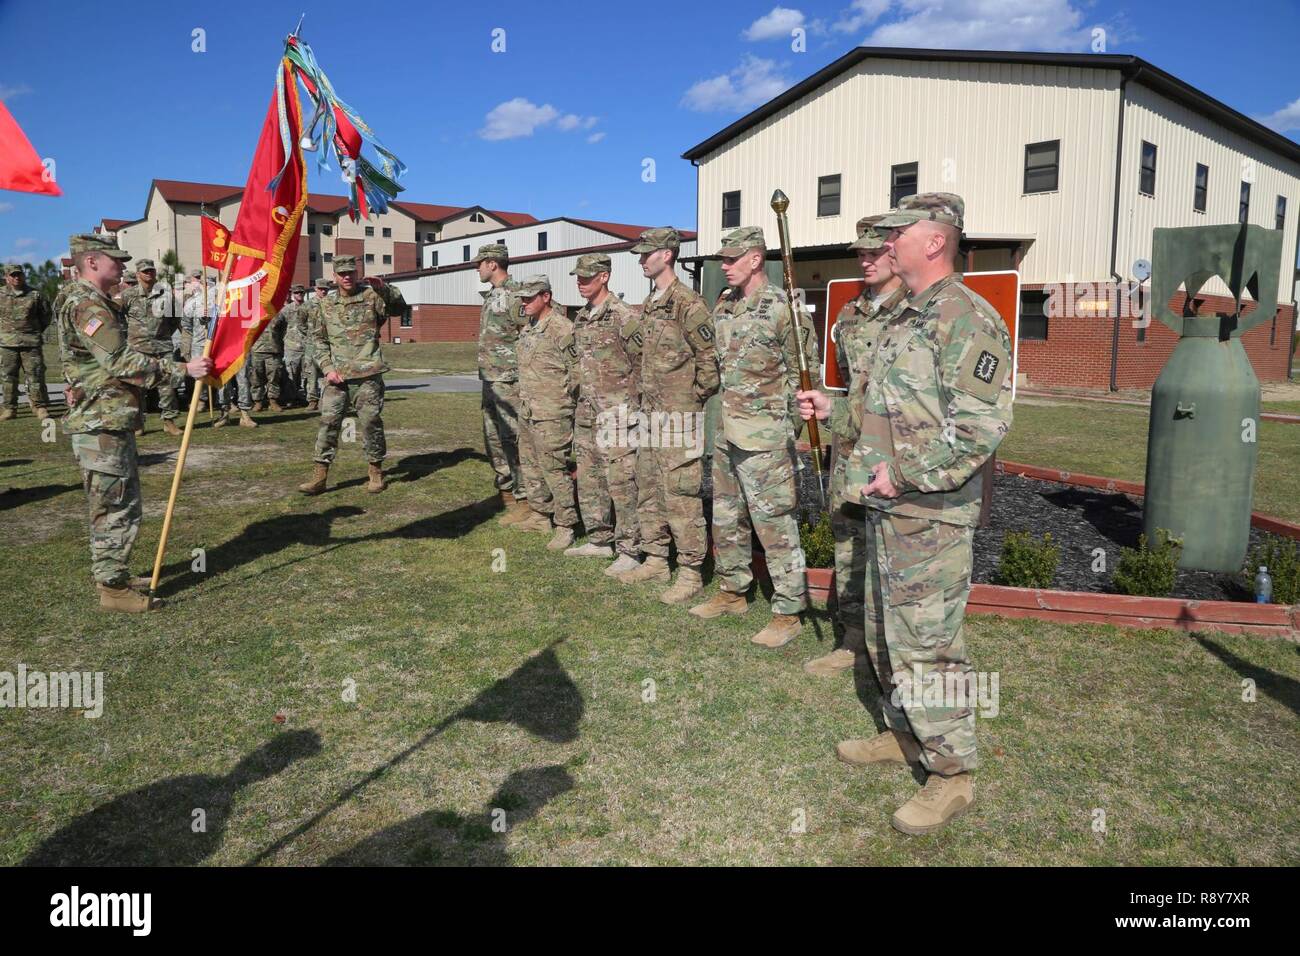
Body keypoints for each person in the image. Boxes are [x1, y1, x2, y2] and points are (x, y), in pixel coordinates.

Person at [797, 193, 1013, 835]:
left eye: (899, 233)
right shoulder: (902, 317)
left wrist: (909, 472)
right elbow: (879, 412)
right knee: (887, 634)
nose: (885, 245)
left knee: (931, 646)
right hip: (889, 507)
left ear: (935, 242)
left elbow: (982, 426)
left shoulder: (967, 318)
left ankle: (952, 775)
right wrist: (830, 411)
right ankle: (905, 735)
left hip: (933, 512)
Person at [55, 234, 211, 612]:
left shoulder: (90, 300)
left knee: (114, 499)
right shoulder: (87, 304)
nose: (123, 265)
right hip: (101, 421)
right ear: (91, 261)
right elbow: (121, 362)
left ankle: (116, 574)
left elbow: (79, 359)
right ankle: (112, 589)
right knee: (115, 505)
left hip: (104, 417)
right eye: (116, 259)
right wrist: (183, 369)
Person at [689, 226, 816, 649]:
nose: (724, 266)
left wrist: (786, 430)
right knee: (727, 518)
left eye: (731, 258)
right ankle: (732, 591)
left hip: (766, 439)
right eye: (722, 259)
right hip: (727, 431)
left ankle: (788, 611)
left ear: (756, 259)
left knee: (775, 524)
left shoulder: (784, 308)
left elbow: (805, 373)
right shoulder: (724, 305)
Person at [803, 215, 909, 677]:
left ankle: (891, 646)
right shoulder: (849, 313)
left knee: (893, 552)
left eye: (874, 252)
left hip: (899, 454)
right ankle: (852, 641)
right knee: (848, 544)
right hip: (851, 447)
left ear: (895, 251)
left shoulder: (918, 309)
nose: (865, 261)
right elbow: (848, 383)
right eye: (860, 254)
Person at [615, 227, 718, 602]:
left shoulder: (687, 303)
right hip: (651, 414)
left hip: (678, 416)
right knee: (650, 488)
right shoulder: (653, 301)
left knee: (681, 495)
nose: (642, 260)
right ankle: (657, 558)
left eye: (647, 254)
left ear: (668, 255)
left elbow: (709, 358)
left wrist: (691, 399)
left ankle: (690, 571)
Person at [299, 255, 406, 495]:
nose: (347, 277)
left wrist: (385, 288)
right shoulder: (325, 305)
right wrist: (327, 368)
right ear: (334, 276)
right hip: (337, 377)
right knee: (328, 423)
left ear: (357, 274)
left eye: (351, 273)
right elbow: (318, 340)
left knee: (370, 424)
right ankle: (320, 475)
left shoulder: (372, 297)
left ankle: (375, 471)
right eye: (342, 273)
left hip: (368, 374)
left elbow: (400, 309)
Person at [566, 253, 643, 570]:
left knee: (622, 482)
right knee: (590, 479)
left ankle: (630, 549)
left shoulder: (624, 316)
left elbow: (642, 363)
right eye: (578, 277)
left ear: (604, 277)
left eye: (587, 277)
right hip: (587, 412)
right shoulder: (582, 317)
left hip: (617, 412)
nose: (580, 282)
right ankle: (599, 539)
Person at [513, 275, 579, 548]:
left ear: (546, 297)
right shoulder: (529, 327)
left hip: (552, 413)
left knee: (554, 469)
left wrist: (564, 402)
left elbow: (577, 371)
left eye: (530, 297)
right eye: (523, 298)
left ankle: (566, 525)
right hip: (529, 409)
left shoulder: (562, 329)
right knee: (530, 466)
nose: (525, 302)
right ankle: (540, 515)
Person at [473, 243, 529, 525]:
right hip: (490, 379)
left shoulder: (517, 294)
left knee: (513, 438)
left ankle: (525, 497)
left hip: (509, 379)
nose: (477, 268)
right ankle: (506, 491)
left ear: (492, 264)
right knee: (493, 437)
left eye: (479, 263)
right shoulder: (491, 295)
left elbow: (529, 333)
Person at [120, 258, 183, 436]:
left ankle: (169, 421)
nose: (149, 274)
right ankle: (138, 423)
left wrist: (162, 335)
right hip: (137, 348)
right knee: (137, 387)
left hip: (163, 347)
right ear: (138, 274)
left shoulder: (166, 294)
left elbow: (174, 319)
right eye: (145, 271)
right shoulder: (128, 295)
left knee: (168, 384)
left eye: (151, 271)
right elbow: (118, 318)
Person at [0, 263, 52, 421]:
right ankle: (9, 408)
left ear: (23, 275)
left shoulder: (35, 294)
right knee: (8, 377)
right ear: (6, 277)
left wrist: (34, 332)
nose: (17, 278)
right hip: (7, 343)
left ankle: (39, 407)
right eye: (13, 275)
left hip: (31, 343)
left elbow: (46, 316)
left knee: (35, 375)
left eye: (19, 274)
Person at [248, 294, 287, 413]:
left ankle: (273, 401)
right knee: (256, 378)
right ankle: (258, 401)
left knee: (274, 377)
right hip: (256, 350)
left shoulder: (278, 313)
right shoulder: (251, 313)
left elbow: (283, 331)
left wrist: (280, 347)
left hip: (274, 351)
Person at [281, 284, 308, 407]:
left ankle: (303, 397)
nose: (299, 295)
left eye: (301, 293)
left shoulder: (308, 307)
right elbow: (279, 326)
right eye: (297, 293)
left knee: (306, 374)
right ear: (293, 294)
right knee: (291, 374)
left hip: (306, 345)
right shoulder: (286, 309)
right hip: (291, 346)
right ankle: (291, 398)